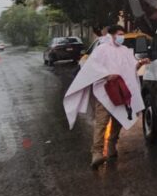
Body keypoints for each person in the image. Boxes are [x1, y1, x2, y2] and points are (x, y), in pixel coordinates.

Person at [62, 25, 149, 168]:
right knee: (102, 123)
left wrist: (140, 63)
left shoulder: (125, 50)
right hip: (104, 92)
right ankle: (96, 153)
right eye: (119, 34)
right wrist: (106, 75)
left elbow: (131, 68)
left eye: (123, 34)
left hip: (121, 92)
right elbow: (92, 68)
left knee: (118, 121)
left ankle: (111, 146)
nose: (121, 37)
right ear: (112, 35)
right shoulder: (101, 49)